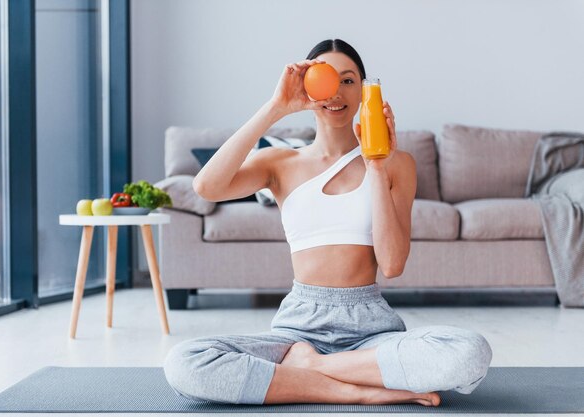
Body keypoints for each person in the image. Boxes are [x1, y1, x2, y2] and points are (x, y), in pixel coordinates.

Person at [163, 39, 492, 407]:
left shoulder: (397, 164)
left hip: (371, 332)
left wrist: (376, 165)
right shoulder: (279, 162)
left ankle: (313, 370)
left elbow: (393, 264)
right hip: (296, 330)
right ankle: (351, 390)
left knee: (469, 353)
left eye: (348, 80)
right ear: (307, 86)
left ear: (365, 90)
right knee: (184, 364)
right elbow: (206, 187)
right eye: (326, 79)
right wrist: (276, 107)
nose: (336, 91)